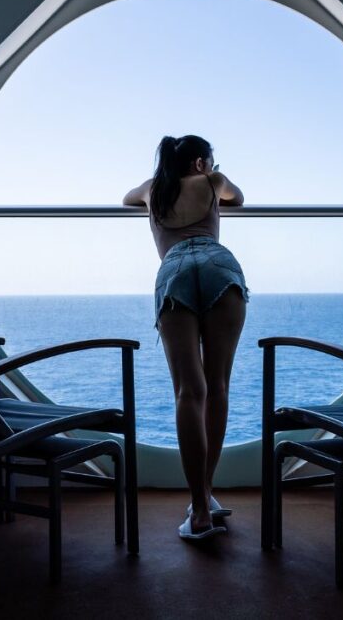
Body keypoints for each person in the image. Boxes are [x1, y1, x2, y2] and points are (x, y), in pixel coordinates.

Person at [123, 135, 249, 540]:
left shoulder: (151, 189)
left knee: (188, 393)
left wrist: (159, 185)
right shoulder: (213, 181)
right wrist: (210, 176)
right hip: (217, 264)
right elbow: (239, 198)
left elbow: (126, 198)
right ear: (201, 163)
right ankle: (207, 491)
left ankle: (197, 507)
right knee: (218, 386)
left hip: (174, 269)